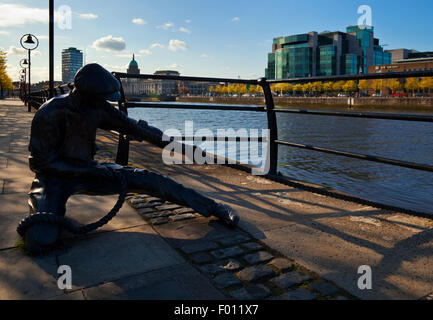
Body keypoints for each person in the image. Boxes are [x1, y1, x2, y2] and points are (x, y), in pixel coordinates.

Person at [23, 63, 239, 253]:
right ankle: (49, 212)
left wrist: (175, 145)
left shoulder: (96, 108)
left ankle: (213, 207)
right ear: (87, 95)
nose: (106, 103)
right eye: (102, 98)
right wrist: (90, 170)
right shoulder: (50, 113)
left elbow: (134, 127)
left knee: (151, 180)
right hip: (53, 178)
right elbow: (40, 163)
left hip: (89, 171)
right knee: (41, 240)